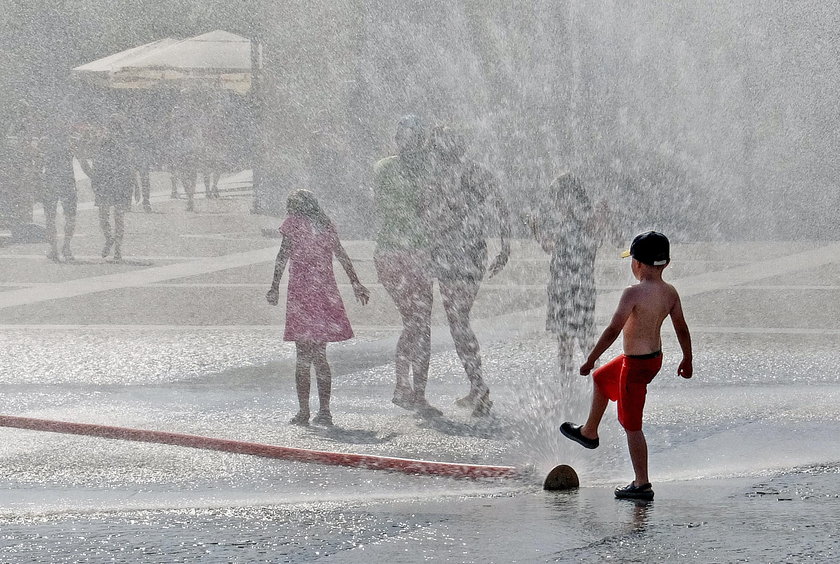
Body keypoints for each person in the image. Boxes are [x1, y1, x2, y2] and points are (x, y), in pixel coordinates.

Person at [559, 231, 693, 501]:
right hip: (652, 359)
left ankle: (642, 484)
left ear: (638, 264)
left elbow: (612, 330)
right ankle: (589, 432)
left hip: (635, 366)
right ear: (665, 264)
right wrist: (687, 358)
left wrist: (590, 358)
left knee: (632, 425)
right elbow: (681, 327)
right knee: (601, 378)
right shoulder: (669, 293)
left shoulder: (632, 293)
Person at [425, 125, 512, 416]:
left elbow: (440, 216)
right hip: (466, 254)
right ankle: (476, 386)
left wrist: (505, 246)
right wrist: (504, 246)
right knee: (458, 321)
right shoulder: (475, 173)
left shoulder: (449, 176)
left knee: (458, 321)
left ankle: (480, 387)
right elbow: (501, 207)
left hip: (457, 255)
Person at [266, 189, 370, 427]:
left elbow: (282, 256)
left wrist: (274, 287)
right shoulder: (325, 225)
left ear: (293, 208)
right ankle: (325, 411)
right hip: (323, 293)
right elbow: (342, 255)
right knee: (320, 356)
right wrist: (356, 282)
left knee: (303, 356)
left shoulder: (292, 224)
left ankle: (303, 411)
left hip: (302, 295)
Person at [372, 115, 440, 416]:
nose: (409, 142)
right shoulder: (421, 169)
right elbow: (426, 206)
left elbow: (384, 205)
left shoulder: (385, 168)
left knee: (417, 323)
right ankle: (408, 390)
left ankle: (409, 389)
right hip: (407, 253)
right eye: (406, 137)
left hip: (397, 252)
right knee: (418, 322)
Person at [529, 172, 609, 378]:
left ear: (568, 197)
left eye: (557, 198)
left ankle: (577, 388)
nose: (556, 204)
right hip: (575, 288)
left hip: (570, 289)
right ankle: (595, 388)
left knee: (570, 344)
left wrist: (536, 229)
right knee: (584, 342)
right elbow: (554, 247)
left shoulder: (582, 222)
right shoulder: (584, 221)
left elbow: (551, 246)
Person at [79, 116, 135, 261]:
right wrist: (92, 174)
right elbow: (84, 158)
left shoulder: (120, 143)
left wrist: (92, 174)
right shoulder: (102, 141)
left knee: (114, 216)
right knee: (112, 217)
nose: (114, 131)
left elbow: (129, 165)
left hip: (113, 182)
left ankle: (116, 248)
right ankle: (112, 242)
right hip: (111, 182)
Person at [38, 128, 79, 261]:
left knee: (50, 217)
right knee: (70, 217)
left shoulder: (45, 142)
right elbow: (81, 158)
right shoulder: (71, 142)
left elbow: (39, 164)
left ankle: (55, 248)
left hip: (51, 182)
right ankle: (66, 246)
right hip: (66, 181)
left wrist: (38, 178)